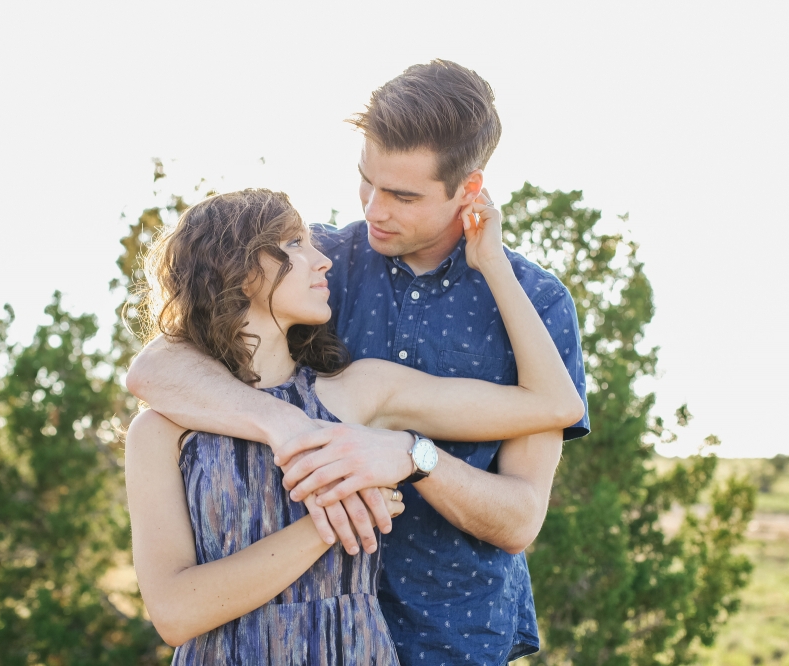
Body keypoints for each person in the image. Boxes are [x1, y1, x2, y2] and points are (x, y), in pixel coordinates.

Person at [126, 60, 591, 664]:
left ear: (468, 191)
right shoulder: (320, 263)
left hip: (455, 631)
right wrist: (295, 427)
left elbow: (522, 513)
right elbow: (157, 367)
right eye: (366, 181)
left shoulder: (537, 304)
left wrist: (407, 454)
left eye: (402, 195)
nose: (374, 209)